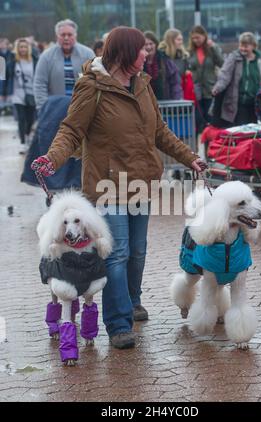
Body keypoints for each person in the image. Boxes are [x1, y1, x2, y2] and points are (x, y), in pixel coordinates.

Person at [31, 26, 207, 350]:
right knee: (117, 253)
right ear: (125, 53)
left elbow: (161, 131)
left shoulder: (143, 85)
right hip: (107, 184)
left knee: (138, 252)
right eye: (141, 49)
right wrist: (52, 160)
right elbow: (71, 130)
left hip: (140, 183)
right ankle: (118, 323)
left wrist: (190, 157)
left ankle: (132, 300)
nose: (146, 53)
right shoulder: (92, 87)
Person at [33, 19, 94, 111]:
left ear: (75, 36)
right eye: (63, 35)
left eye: (69, 35)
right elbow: (40, 84)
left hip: (81, 109)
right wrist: (43, 108)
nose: (66, 38)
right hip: (54, 109)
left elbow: (95, 81)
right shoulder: (46, 56)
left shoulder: (88, 54)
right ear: (57, 36)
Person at [211, 32, 261, 128]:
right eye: (241, 45)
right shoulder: (234, 58)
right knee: (241, 130)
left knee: (253, 130)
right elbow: (225, 74)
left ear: (253, 46)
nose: (243, 48)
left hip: (254, 104)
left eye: (246, 46)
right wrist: (218, 87)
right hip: (238, 103)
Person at [188, 25, 224, 132]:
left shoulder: (212, 49)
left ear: (204, 36)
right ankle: (196, 148)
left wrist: (213, 47)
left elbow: (222, 63)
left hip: (210, 90)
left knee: (211, 121)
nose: (195, 40)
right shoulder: (190, 51)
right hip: (195, 90)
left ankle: (210, 147)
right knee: (198, 122)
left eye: (198, 37)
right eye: (193, 38)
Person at [11, 38, 38, 154]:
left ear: (28, 48)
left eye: (25, 47)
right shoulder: (13, 61)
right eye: (21, 47)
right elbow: (3, 74)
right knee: (21, 119)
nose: (23, 49)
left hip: (31, 93)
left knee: (30, 119)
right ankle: (22, 142)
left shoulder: (34, 60)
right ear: (17, 49)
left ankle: (27, 136)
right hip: (18, 94)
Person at [143, 31, 182, 100]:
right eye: (145, 44)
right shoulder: (138, 61)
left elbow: (175, 83)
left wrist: (176, 101)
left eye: (151, 44)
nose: (148, 47)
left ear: (156, 44)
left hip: (165, 103)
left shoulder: (165, 60)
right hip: (145, 103)